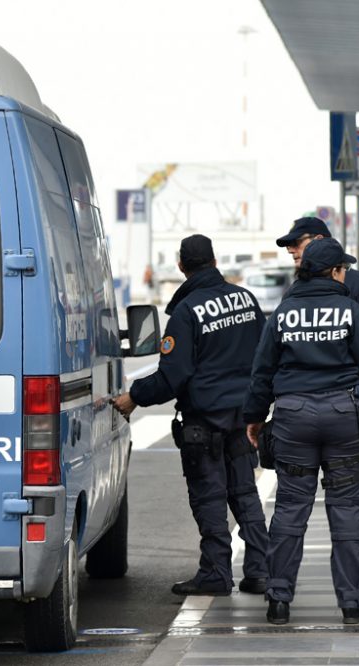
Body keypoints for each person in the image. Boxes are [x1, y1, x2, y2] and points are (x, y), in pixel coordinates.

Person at [244, 238, 359, 626]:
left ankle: (278, 601)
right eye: (343, 269)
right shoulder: (350, 310)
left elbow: (262, 370)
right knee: (346, 510)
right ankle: (352, 605)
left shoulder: (283, 313)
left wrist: (255, 417)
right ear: (333, 272)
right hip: (344, 414)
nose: (346, 275)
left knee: (290, 510)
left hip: (293, 416)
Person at [113, 235, 270, 596]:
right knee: (245, 494)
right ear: (214, 262)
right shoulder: (245, 299)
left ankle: (216, 573)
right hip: (243, 416)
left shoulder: (187, 311)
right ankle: (260, 570)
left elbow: (173, 376)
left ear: (182, 266)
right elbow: (265, 357)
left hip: (205, 421)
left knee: (210, 496)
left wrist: (134, 397)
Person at [276, 216, 359, 591]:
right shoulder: (296, 291)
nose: (291, 251)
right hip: (315, 406)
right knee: (311, 497)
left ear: (317, 241)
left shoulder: (358, 285)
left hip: (353, 398)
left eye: (296, 243)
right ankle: (344, 589)